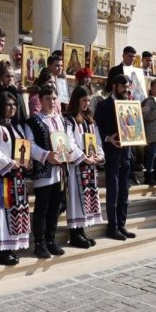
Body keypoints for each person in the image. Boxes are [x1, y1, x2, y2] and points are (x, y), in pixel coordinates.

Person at [25, 85, 77, 259]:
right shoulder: (33, 121)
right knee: (42, 207)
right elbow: (30, 144)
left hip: (60, 170)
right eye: (48, 98)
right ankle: (39, 243)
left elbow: (68, 139)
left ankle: (51, 239)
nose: (52, 102)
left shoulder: (62, 120)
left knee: (55, 206)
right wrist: (47, 155)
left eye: (54, 98)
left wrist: (69, 152)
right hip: (44, 170)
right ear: (40, 100)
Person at [0, 91, 32, 265]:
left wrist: (27, 162)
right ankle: (0, 250)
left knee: (15, 212)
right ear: (0, 106)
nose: (12, 108)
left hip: (16, 177)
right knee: (0, 213)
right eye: (8, 104)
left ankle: (11, 247)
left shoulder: (16, 127)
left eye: (14, 105)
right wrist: (10, 163)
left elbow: (22, 150)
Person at [94, 74, 138, 241]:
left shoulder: (130, 104)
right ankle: (112, 227)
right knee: (114, 191)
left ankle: (122, 224)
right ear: (114, 87)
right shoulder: (103, 105)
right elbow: (96, 128)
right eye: (123, 87)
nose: (126, 90)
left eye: (128, 87)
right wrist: (108, 138)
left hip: (126, 154)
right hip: (112, 154)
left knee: (124, 193)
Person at [64, 86, 104, 248]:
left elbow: (97, 141)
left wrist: (99, 155)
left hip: (89, 167)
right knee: (75, 199)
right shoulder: (69, 120)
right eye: (84, 100)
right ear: (76, 101)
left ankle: (81, 230)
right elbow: (69, 143)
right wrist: (83, 157)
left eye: (88, 100)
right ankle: (74, 233)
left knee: (87, 200)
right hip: (76, 167)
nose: (87, 103)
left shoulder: (89, 121)